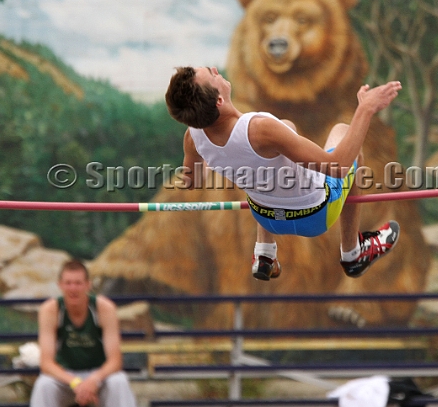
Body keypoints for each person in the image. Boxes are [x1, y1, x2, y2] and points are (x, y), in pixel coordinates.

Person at [165, 66, 402, 281]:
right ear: (218, 101)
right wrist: (365, 109)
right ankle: (353, 254)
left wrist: (221, 159)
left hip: (267, 217)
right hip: (316, 216)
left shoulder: (193, 138)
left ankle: (265, 254)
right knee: (344, 135)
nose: (216, 70)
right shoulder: (260, 129)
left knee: (286, 126)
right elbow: (337, 167)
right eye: (212, 73)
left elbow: (192, 181)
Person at [30, 260, 137, 407]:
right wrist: (75, 382)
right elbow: (46, 363)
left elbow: (115, 361)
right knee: (44, 385)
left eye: (78, 283)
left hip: (98, 375)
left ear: (88, 284)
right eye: (68, 283)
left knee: (119, 382)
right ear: (60, 285)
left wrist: (93, 380)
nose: (73, 288)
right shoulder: (50, 310)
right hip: (65, 376)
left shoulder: (105, 308)